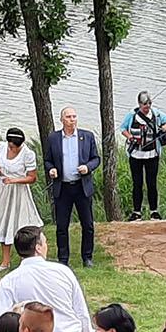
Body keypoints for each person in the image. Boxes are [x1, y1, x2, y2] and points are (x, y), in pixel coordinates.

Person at [43, 107, 102, 267]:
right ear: (62, 120)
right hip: (63, 188)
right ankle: (63, 259)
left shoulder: (87, 136)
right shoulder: (53, 138)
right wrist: (51, 169)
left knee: (88, 224)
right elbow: (47, 160)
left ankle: (87, 257)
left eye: (74, 116)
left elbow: (96, 158)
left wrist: (88, 167)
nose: (72, 119)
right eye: (68, 117)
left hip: (82, 187)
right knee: (62, 226)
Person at [0, 128, 43, 271]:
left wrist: (14, 180)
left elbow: (32, 178)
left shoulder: (28, 154)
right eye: (12, 146)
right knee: (4, 222)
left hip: (19, 191)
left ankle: (25, 260)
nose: (14, 148)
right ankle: (5, 262)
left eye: (17, 146)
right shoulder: (0, 147)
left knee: (21, 224)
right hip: (3, 190)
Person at [120, 91, 166, 221]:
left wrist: (164, 128)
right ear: (139, 104)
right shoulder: (132, 115)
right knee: (137, 184)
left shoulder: (156, 114)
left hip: (152, 155)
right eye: (144, 104)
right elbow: (123, 128)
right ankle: (136, 212)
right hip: (136, 155)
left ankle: (154, 212)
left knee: (152, 183)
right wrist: (130, 137)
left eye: (149, 104)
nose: (147, 107)